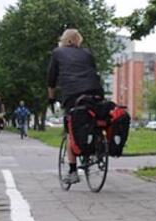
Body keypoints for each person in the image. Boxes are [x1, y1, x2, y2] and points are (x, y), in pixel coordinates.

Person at [47, 28, 104, 185]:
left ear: (66, 40)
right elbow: (94, 72)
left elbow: (51, 78)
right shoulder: (87, 53)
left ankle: (73, 172)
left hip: (73, 95)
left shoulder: (57, 52)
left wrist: (51, 98)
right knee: (94, 118)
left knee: (71, 129)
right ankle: (98, 148)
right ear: (78, 40)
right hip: (95, 92)